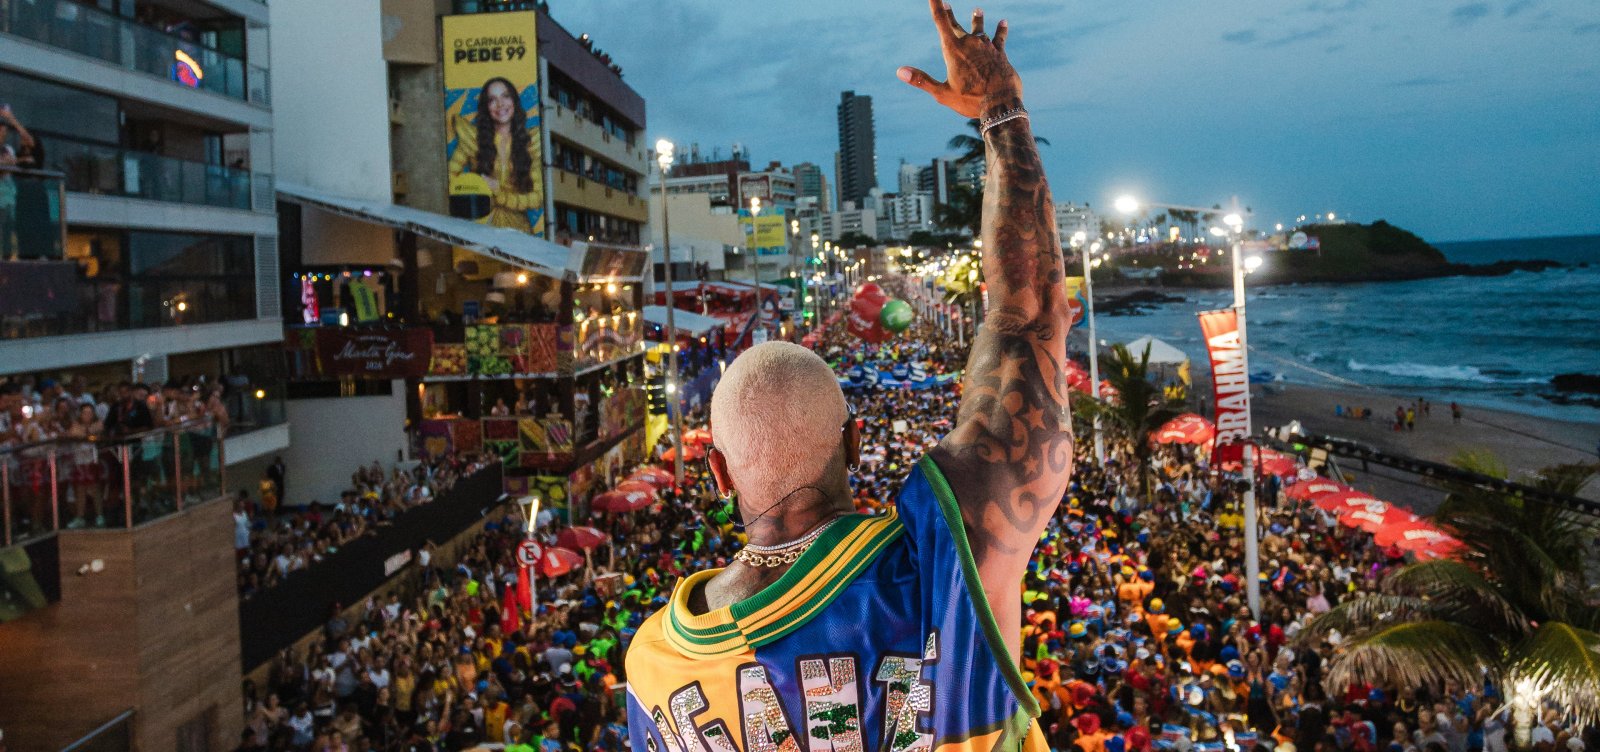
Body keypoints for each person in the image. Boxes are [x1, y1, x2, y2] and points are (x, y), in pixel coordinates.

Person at [625, 4, 1072, 748]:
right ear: (855, 444)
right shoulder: (939, 562)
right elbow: (1027, 321)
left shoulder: (654, 669)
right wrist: (1000, 110)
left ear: (716, 474)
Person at [448, 76, 544, 232]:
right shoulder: (473, 140)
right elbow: (449, 178)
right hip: (481, 228)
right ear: (486, 107)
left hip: (520, 233)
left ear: (514, 101)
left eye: (505, 96)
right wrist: (474, 188)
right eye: (492, 100)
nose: (500, 104)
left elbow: (537, 198)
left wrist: (499, 194)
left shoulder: (530, 143)